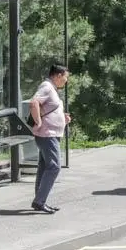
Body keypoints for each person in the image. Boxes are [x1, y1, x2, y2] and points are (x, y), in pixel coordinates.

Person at [29, 64, 71, 213]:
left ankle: (39, 199)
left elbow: (48, 108)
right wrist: (38, 122)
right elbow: (34, 102)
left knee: (44, 167)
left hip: (50, 134)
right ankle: (39, 201)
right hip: (48, 135)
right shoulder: (47, 86)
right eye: (65, 77)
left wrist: (62, 117)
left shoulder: (51, 88)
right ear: (58, 75)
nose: (66, 81)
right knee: (54, 167)